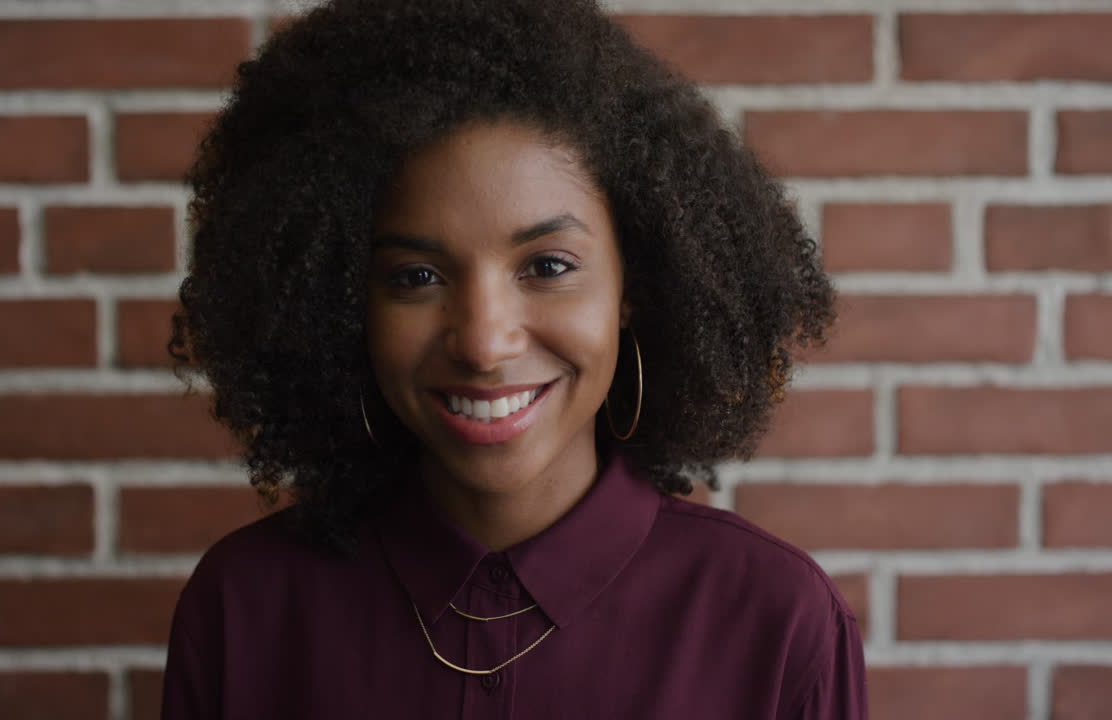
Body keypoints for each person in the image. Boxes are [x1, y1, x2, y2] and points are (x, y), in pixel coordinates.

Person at [163, 0, 865, 717]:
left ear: (637, 288)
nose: (483, 342)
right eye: (416, 276)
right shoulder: (245, 610)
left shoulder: (777, 624)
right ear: (340, 305)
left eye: (549, 266)